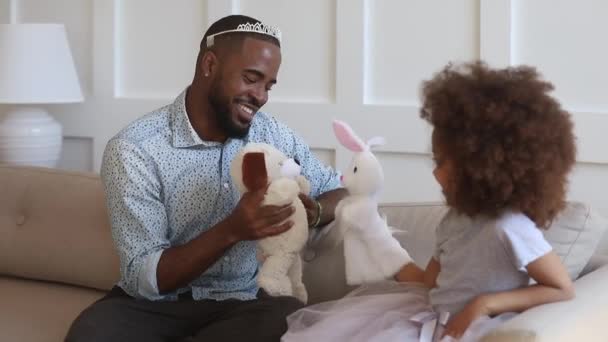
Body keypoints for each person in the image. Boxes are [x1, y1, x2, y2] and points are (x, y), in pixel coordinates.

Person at [66, 14, 346, 342]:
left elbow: (341, 192)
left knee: (287, 317)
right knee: (91, 332)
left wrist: (313, 211)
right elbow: (145, 277)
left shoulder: (273, 135)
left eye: (268, 85)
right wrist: (233, 229)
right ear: (210, 65)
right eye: (251, 78)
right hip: (153, 306)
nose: (261, 96)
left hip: (244, 304)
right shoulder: (135, 148)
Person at [282, 61, 577, 341]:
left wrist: (485, 304)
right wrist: (379, 240)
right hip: (429, 324)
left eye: (441, 161)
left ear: (481, 164)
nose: (434, 172)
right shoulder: (455, 220)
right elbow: (429, 283)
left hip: (478, 330)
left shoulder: (510, 227)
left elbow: (561, 288)